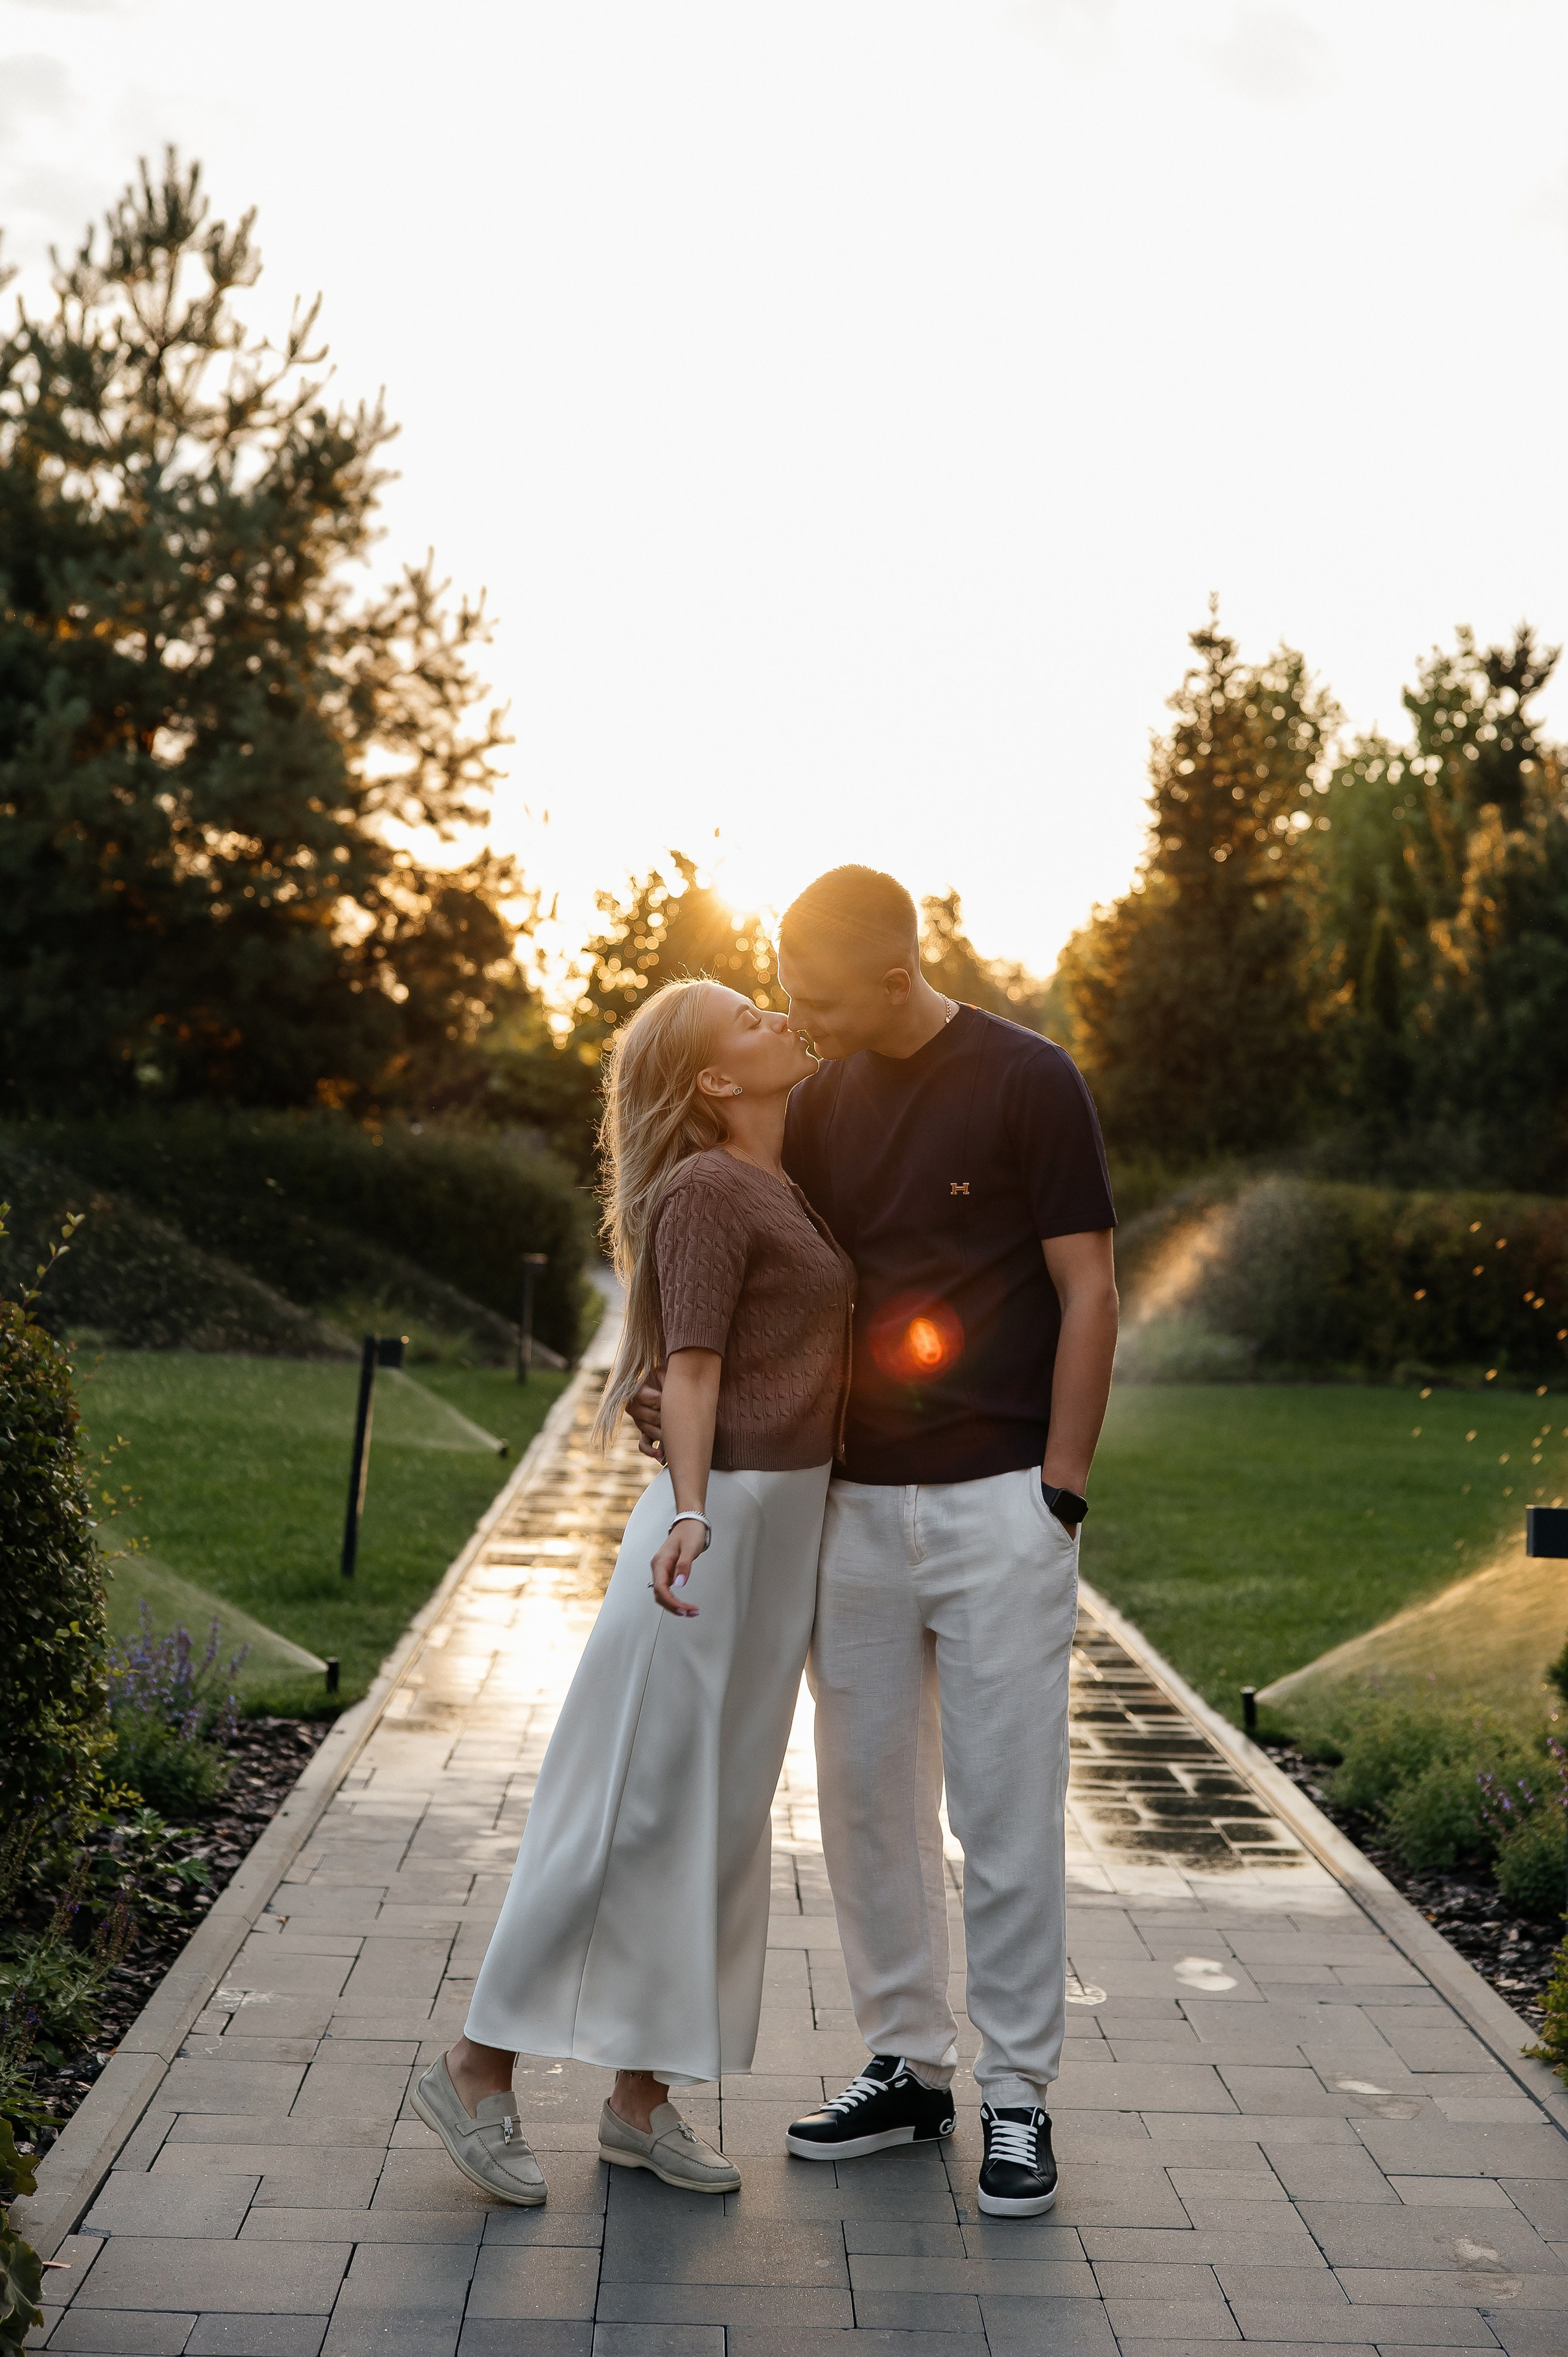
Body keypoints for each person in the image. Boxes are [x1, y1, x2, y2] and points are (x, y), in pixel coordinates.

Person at [631, 865, 1117, 2218]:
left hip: (998, 1503)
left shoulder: (1030, 1082)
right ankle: (906, 2065)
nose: (803, 1020)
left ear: (898, 977)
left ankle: (1017, 2097)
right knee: (863, 1805)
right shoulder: (824, 1103)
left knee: (1003, 1807)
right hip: (847, 1508)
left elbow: (1088, 1290)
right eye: (787, 997)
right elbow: (752, 1255)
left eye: (823, 999)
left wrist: (1057, 1485)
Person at [415, 977, 854, 2203]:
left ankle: (639, 2101)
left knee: (713, 1819)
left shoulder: (782, 1178)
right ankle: (474, 2069)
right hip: (708, 1540)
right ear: (715, 1081)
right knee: (625, 1813)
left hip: (776, 1530)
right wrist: (698, 1507)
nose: (780, 1018)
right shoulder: (710, 1187)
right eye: (751, 1021)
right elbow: (696, 1366)